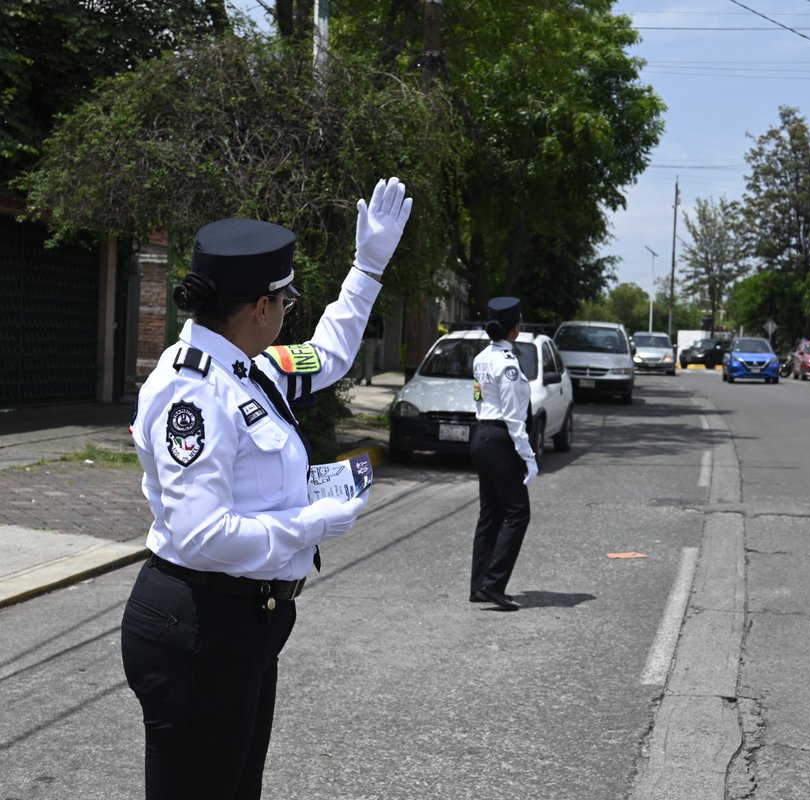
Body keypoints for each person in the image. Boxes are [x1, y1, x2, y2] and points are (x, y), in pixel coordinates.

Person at [120, 177, 412, 799]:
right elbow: (201, 535)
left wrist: (368, 267)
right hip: (198, 624)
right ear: (260, 307)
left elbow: (328, 357)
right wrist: (312, 523)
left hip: (241, 622)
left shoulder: (251, 367)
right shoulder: (194, 390)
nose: (288, 311)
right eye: (285, 300)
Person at [469, 297, 537, 611]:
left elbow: (480, 398)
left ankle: (479, 585)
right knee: (518, 512)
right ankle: (493, 584)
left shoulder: (482, 357)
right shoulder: (507, 364)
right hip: (499, 438)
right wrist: (529, 456)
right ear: (516, 328)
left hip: (482, 435)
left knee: (491, 514)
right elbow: (513, 416)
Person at [357, 312, 383, 385]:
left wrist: (380, 338)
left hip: (371, 338)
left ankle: (368, 379)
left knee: (369, 359)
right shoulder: (362, 309)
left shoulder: (376, 311)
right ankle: (358, 377)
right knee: (359, 359)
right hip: (360, 338)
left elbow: (381, 325)